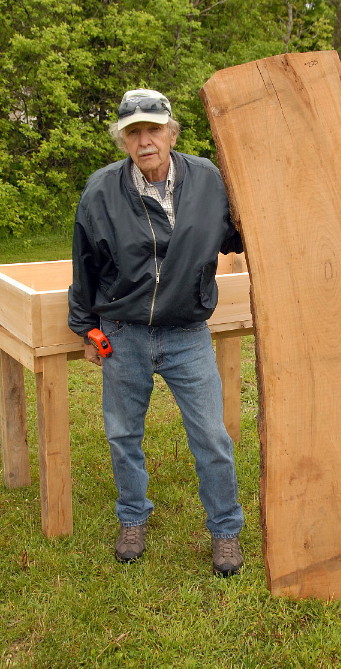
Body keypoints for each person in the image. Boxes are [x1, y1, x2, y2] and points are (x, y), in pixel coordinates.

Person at [68, 88, 244, 576]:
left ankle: (226, 530)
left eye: (152, 129)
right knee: (123, 434)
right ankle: (132, 517)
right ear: (124, 140)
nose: (144, 141)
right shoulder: (100, 191)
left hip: (188, 334)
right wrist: (86, 328)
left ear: (171, 130)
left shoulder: (209, 179)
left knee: (211, 435)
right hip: (123, 333)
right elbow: (85, 264)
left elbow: (236, 232)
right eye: (133, 132)